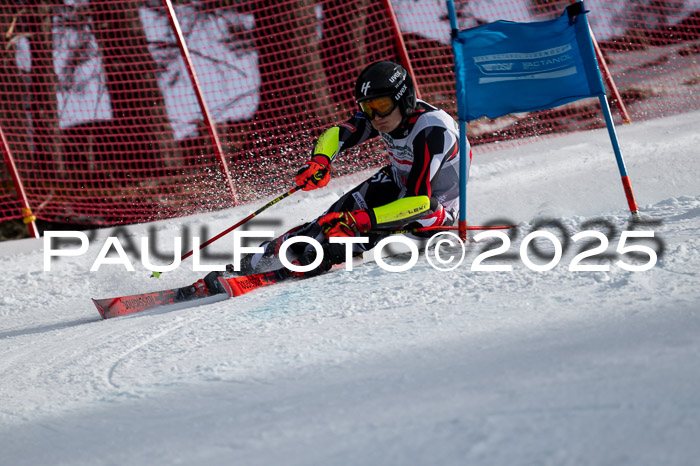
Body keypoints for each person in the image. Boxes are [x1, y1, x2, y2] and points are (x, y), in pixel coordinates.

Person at [208, 60, 467, 290]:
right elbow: (338, 133)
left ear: (404, 98)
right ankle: (248, 265)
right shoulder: (386, 117)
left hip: (434, 210)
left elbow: (420, 201)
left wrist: (361, 220)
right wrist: (320, 162)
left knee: (348, 233)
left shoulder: (432, 131)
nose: (375, 116)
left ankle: (321, 258)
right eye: (368, 108)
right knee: (326, 223)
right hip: (398, 183)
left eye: (382, 106)